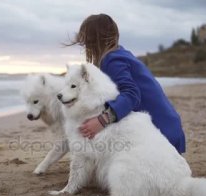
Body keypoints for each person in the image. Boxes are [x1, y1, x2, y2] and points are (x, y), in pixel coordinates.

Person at [67, 14, 185, 154]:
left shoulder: (112, 60)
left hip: (161, 136)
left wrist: (102, 120)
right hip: (170, 128)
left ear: (94, 40)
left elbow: (131, 94)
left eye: (86, 42)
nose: (86, 47)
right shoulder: (122, 54)